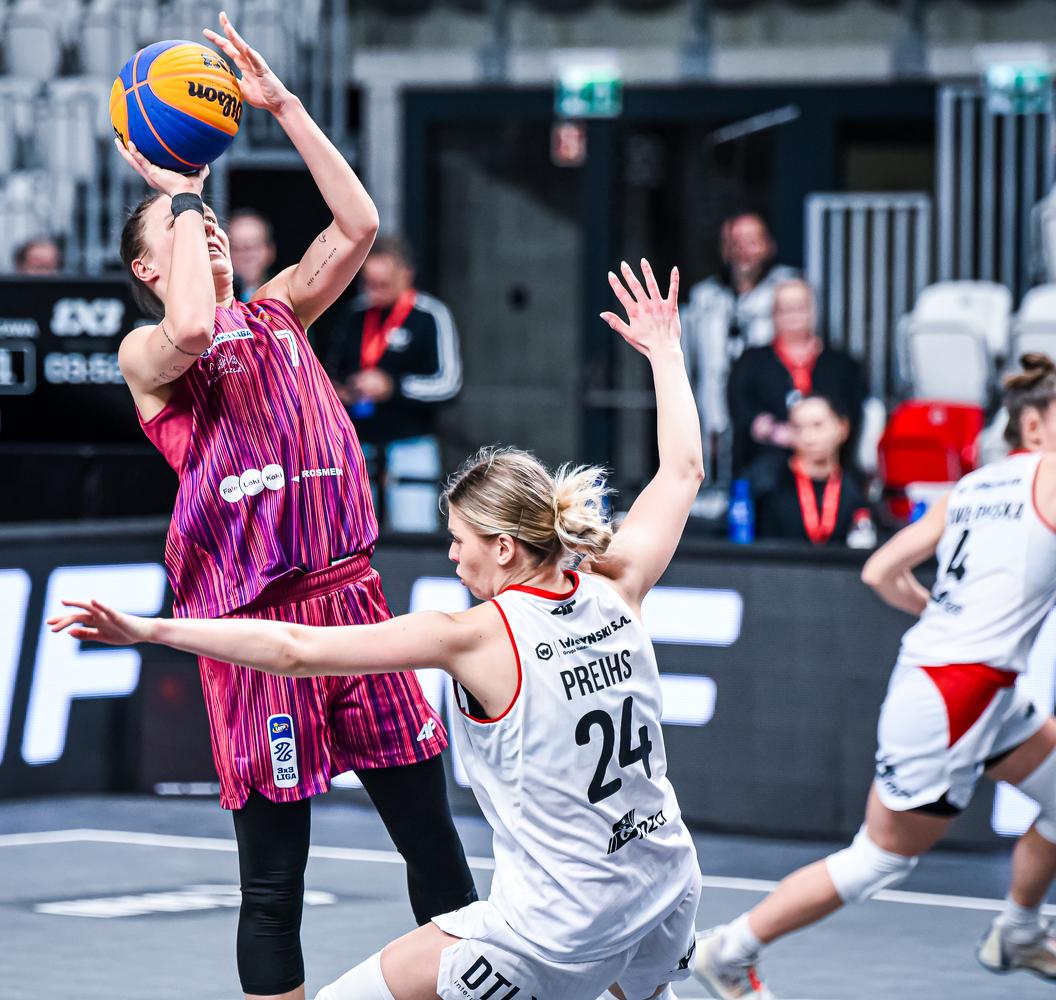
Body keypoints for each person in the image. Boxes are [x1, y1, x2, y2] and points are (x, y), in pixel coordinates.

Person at [52, 259, 706, 1000]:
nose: (451, 555)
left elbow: (292, 650)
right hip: (666, 883)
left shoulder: (476, 635)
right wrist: (665, 352)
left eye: (459, 540)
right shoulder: (621, 582)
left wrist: (153, 631)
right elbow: (682, 470)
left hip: (558, 926)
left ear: (504, 547)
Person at [112, 15, 476, 1000]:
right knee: (274, 886)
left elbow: (357, 226)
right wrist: (181, 192)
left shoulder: (278, 309)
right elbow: (192, 326)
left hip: (354, 605)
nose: (210, 239)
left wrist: (285, 109)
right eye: (186, 238)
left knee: (435, 849)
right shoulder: (148, 357)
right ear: (148, 268)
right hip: (256, 629)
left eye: (215, 232)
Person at [693, 353, 1056, 999]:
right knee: (878, 860)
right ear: (1033, 428)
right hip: (950, 693)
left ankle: (1019, 933)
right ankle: (727, 950)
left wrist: (942, 611)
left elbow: (880, 571)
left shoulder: (973, 486)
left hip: (980, 686)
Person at [327, 236, 462, 532]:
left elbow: (449, 384)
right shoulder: (353, 314)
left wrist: (393, 387)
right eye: (369, 283)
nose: (373, 291)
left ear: (406, 274)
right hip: (357, 445)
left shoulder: (430, 314)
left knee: (414, 533)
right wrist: (341, 391)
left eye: (383, 284)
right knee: (352, 535)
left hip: (411, 444)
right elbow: (330, 373)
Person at [726, 279, 865, 495]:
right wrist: (774, 431)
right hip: (770, 470)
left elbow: (851, 415)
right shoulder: (751, 363)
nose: (793, 316)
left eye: (800, 307)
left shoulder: (841, 364)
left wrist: (819, 437)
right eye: (785, 309)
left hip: (831, 469)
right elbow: (741, 412)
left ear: (813, 311)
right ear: (773, 314)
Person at [686, 213, 799, 471]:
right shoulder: (705, 297)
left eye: (752, 242)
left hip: (770, 420)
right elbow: (691, 363)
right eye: (735, 243)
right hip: (717, 419)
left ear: (770, 245)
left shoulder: (788, 288)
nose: (742, 251)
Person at [755, 395, 872, 546]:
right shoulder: (767, 482)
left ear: (843, 427)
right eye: (797, 428)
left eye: (818, 425)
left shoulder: (857, 488)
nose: (808, 437)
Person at [228, 209, 277, 302]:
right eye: (236, 248)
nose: (247, 257)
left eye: (253, 247)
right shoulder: (213, 301)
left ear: (270, 251)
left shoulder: (285, 296)